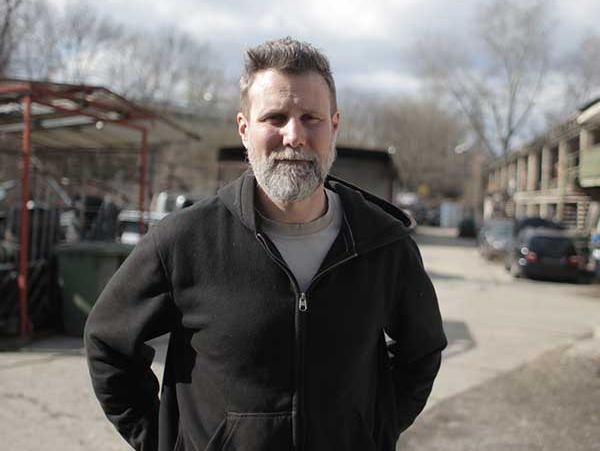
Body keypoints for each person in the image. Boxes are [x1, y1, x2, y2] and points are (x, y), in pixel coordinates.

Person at [85, 37, 447, 451]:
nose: (294, 136)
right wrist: (164, 442)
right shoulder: (184, 241)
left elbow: (421, 352)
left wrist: (373, 433)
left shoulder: (383, 244)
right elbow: (108, 344)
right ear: (244, 130)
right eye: (275, 117)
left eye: (311, 118)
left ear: (334, 126)